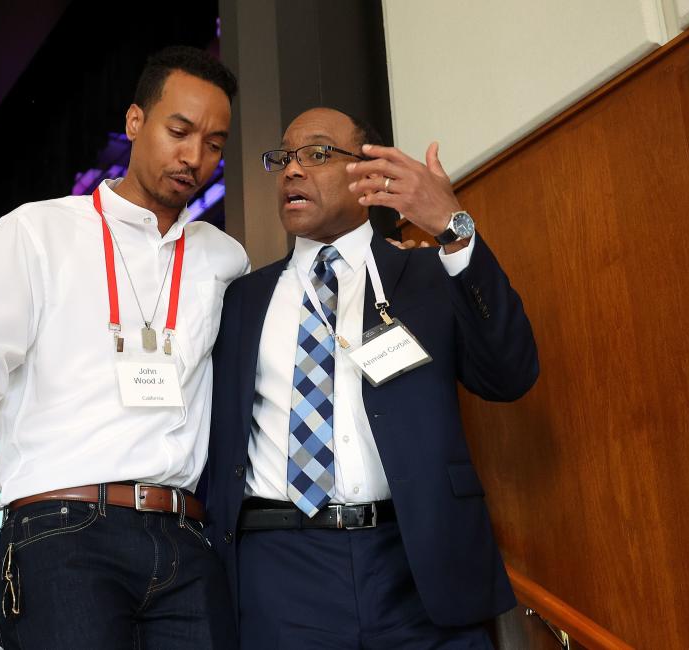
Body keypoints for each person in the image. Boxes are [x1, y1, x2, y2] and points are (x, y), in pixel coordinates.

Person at [0, 46, 247, 649]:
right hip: (64, 534)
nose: (194, 157)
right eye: (179, 130)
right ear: (135, 121)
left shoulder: (223, 258)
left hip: (187, 539)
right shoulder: (39, 231)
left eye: (214, 143)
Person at [204, 107, 539, 649]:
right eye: (283, 158)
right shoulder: (241, 300)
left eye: (315, 154)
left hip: (416, 562)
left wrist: (453, 228)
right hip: (281, 570)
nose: (291, 170)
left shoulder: (427, 276)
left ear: (367, 174)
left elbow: (511, 373)